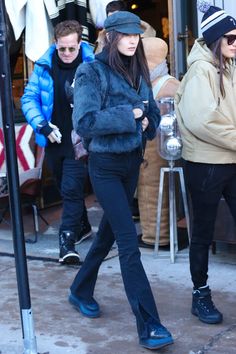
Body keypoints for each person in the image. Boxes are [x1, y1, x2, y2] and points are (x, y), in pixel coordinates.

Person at [69, 11, 173, 351]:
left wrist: (147, 122)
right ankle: (150, 325)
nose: (132, 39)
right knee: (129, 245)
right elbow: (85, 122)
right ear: (111, 37)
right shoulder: (91, 71)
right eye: (126, 34)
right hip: (105, 167)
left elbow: (152, 113)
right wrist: (129, 116)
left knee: (108, 235)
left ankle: (79, 289)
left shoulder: (137, 70)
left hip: (132, 164)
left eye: (136, 35)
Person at [175, 1, 236, 324]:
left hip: (231, 160)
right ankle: (201, 295)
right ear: (215, 39)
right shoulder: (201, 70)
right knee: (202, 233)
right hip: (207, 165)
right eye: (230, 38)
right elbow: (203, 121)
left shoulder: (230, 65)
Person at [21, 20, 94, 265]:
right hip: (52, 138)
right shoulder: (43, 66)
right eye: (62, 48)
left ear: (80, 44)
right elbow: (29, 98)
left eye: (71, 49)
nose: (66, 54)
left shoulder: (92, 66)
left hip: (78, 139)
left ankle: (67, 241)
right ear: (56, 43)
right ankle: (83, 226)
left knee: (72, 189)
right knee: (66, 188)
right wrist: (41, 124)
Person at [137, 37, 180, 248]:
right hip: (155, 155)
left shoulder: (165, 87)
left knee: (155, 194)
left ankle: (158, 238)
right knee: (151, 194)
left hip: (159, 153)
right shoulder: (169, 84)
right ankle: (156, 235)